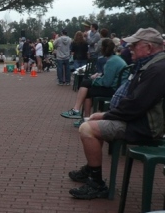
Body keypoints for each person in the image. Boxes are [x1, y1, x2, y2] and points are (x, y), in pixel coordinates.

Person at [67, 27, 165, 200]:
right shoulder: (153, 65)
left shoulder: (157, 70)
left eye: (134, 45)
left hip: (145, 126)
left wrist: (106, 115)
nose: (129, 48)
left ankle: (96, 182)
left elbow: (136, 104)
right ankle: (91, 169)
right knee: (94, 125)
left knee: (86, 129)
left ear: (149, 47)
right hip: (140, 119)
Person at [60, 39, 128, 125]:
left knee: (86, 86)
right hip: (118, 87)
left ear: (102, 49)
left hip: (114, 89)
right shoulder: (116, 59)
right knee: (87, 86)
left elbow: (107, 82)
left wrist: (95, 80)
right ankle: (82, 115)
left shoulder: (111, 62)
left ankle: (79, 112)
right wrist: (98, 77)